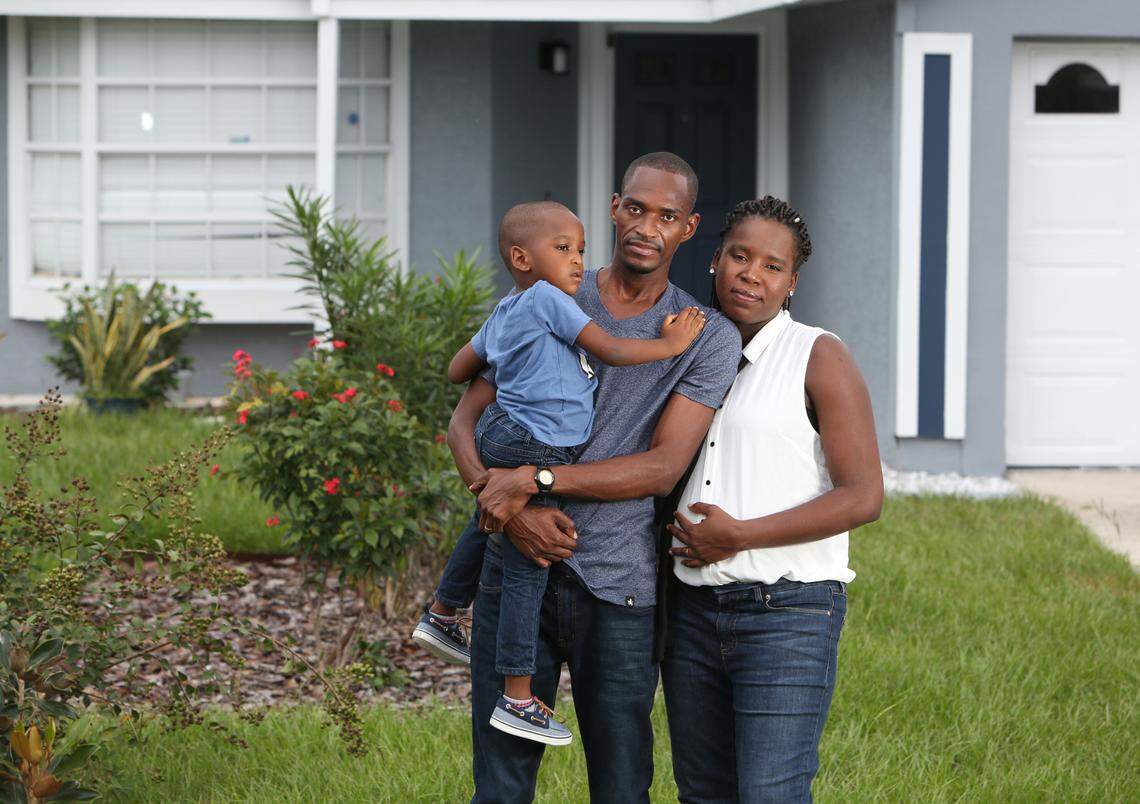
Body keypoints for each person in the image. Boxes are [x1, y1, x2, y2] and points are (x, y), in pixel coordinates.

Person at [449, 152, 741, 802]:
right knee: (499, 786)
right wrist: (505, 504)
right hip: (514, 572)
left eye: (667, 216)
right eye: (636, 208)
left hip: (617, 588)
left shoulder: (704, 336)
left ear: (688, 228)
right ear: (615, 208)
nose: (647, 226)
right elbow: (462, 423)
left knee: (621, 786)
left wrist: (533, 482)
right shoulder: (545, 295)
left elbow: (662, 466)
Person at [412, 200, 707, 746]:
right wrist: (669, 345)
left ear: (688, 228)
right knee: (527, 563)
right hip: (534, 441)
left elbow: (456, 370)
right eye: (563, 249)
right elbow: (611, 349)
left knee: (494, 515)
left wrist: (509, 358)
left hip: (508, 439)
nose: (576, 261)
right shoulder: (552, 300)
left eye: (579, 250)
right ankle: (518, 697)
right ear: (524, 258)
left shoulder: (511, 307)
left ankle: (444, 610)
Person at [661, 196, 883, 802]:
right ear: (715, 260)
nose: (751, 275)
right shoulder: (682, 346)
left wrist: (739, 535)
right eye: (740, 255)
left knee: (771, 794)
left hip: (787, 613)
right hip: (690, 613)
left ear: (792, 282)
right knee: (703, 794)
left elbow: (864, 496)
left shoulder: (818, 355)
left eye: (772, 266)